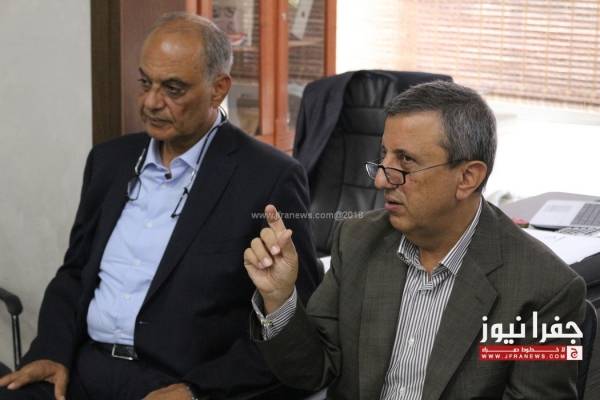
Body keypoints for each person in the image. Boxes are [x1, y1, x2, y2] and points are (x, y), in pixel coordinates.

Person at [0, 12, 319, 400]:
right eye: (145, 83)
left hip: (178, 382)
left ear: (218, 89)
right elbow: (76, 273)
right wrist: (52, 350)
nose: (151, 102)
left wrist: (198, 391)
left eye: (173, 89)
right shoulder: (109, 161)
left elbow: (297, 320)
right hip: (86, 365)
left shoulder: (269, 177)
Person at [244, 81, 586, 399]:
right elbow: (312, 371)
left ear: (467, 177)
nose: (380, 180)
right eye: (383, 157)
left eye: (405, 162)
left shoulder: (544, 290)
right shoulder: (358, 239)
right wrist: (280, 298)